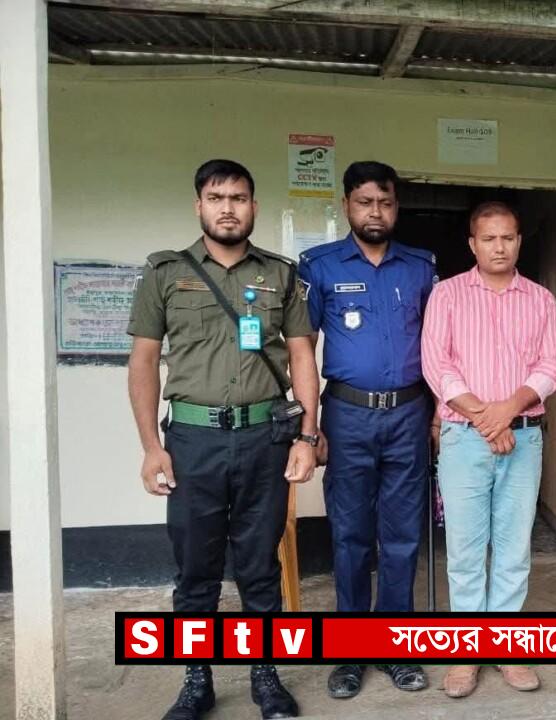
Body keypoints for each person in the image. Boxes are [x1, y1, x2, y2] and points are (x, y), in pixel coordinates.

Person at [128, 159, 318, 720]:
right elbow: (143, 362)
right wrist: (151, 447)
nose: (228, 208)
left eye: (238, 198)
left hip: (265, 438)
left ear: (254, 206)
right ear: (199, 206)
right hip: (192, 441)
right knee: (196, 568)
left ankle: (265, 676)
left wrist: (306, 436)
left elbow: (303, 356)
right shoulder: (165, 273)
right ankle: (196, 680)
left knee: (260, 564)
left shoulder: (281, 275)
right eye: (216, 198)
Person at [421, 201, 556, 699]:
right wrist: (487, 417)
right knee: (465, 551)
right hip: (464, 439)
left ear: (519, 241)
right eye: (489, 238)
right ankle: (466, 652)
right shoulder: (446, 295)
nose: (499, 247)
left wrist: (507, 410)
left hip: (523, 438)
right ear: (473, 244)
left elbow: (551, 365)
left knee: (512, 548)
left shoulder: (540, 299)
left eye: (508, 237)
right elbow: (436, 366)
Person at [297, 161, 435, 700]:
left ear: (395, 207)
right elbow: (300, 349)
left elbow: (440, 347)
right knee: (351, 537)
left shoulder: (420, 267)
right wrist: (310, 426)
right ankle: (352, 650)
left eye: (385, 202)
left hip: (409, 414)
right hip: (347, 415)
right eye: (364, 202)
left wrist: (436, 415)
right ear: (346, 206)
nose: (375, 212)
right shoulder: (320, 266)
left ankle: (397, 646)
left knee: (401, 538)